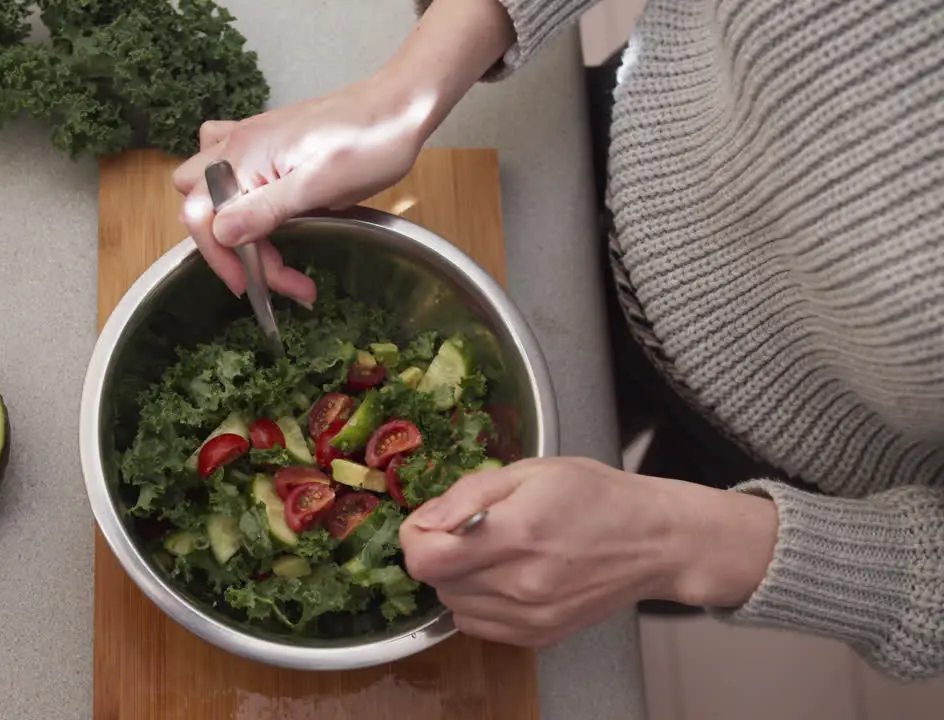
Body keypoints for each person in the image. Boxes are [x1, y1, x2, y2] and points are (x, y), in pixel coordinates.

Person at [171, 0, 944, 682]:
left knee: (588, 576)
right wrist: (404, 89)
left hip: (798, 467)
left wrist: (684, 546)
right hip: (619, 152)